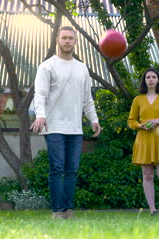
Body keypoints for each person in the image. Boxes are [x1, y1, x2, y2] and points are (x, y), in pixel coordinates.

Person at [30, 26, 101, 219]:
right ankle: (56, 211)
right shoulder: (47, 66)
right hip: (53, 126)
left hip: (75, 129)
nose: (67, 41)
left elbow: (87, 98)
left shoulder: (82, 68)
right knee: (57, 168)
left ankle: (68, 211)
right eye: (64, 38)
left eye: (71, 38)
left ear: (75, 42)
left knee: (72, 170)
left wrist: (93, 119)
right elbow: (40, 94)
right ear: (57, 40)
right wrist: (41, 115)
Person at [128, 68, 159, 216]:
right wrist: (139, 125)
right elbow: (131, 120)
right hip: (144, 138)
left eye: (153, 77)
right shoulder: (138, 100)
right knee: (147, 175)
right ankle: (152, 209)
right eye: (148, 77)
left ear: (158, 80)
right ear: (144, 80)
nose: (150, 79)